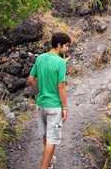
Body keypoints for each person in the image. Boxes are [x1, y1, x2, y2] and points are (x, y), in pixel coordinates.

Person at [27, 32, 71, 169]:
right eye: (67, 46)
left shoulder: (40, 58)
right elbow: (61, 86)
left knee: (46, 136)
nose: (67, 49)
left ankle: (50, 161)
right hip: (54, 107)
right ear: (59, 45)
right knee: (52, 140)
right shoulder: (60, 62)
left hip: (41, 104)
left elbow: (30, 79)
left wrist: (40, 90)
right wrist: (65, 107)